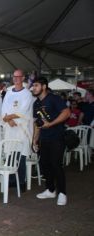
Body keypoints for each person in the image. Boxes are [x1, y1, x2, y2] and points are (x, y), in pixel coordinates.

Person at [32, 77, 70, 206]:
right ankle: (50, 190)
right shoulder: (36, 103)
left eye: (36, 85)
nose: (34, 88)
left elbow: (66, 112)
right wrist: (34, 139)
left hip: (57, 138)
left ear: (43, 86)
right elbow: (36, 123)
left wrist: (51, 124)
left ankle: (62, 193)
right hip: (44, 139)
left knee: (56, 165)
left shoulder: (54, 99)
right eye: (33, 86)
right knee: (44, 164)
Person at [1, 69, 34, 192]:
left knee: (21, 155)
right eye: (14, 76)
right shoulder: (9, 92)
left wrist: (9, 117)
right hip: (10, 127)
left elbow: (24, 110)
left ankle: (21, 181)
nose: (15, 78)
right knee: (10, 155)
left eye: (18, 76)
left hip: (22, 128)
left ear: (23, 78)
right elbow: (3, 107)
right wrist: (7, 119)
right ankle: (11, 180)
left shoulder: (27, 93)